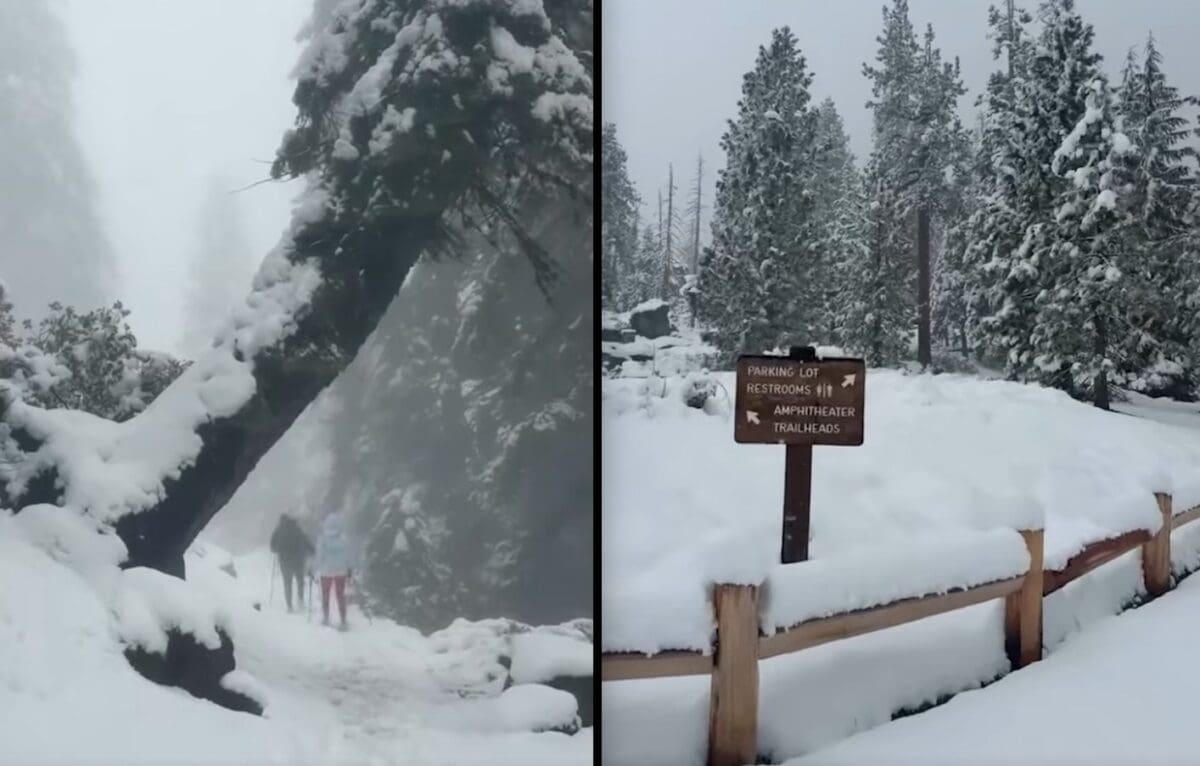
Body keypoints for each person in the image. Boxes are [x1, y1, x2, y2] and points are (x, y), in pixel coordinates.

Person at [315, 512, 353, 629]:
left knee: (325, 595)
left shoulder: (322, 540)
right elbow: (349, 555)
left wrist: (316, 568)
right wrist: (349, 568)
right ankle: (343, 620)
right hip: (341, 572)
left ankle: (326, 618)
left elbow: (319, 556)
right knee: (340, 596)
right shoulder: (344, 539)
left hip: (326, 572)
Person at [269, 513, 314, 612]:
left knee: (287, 583)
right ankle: (300, 601)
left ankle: (289, 606)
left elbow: (273, 548)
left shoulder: (279, 531)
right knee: (300, 582)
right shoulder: (297, 529)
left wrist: (279, 549)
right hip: (298, 560)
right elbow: (305, 541)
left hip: (285, 561)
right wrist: (312, 551)